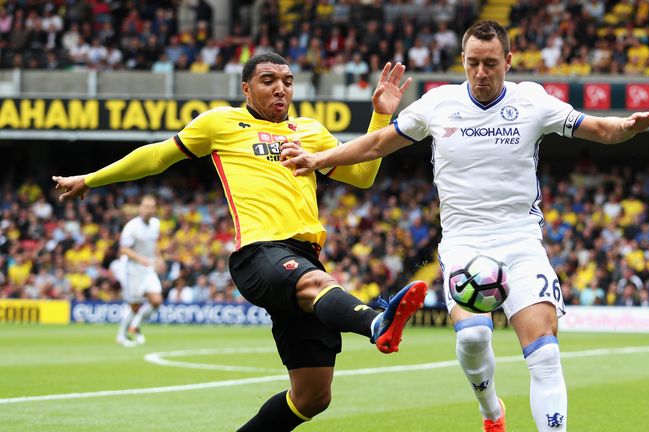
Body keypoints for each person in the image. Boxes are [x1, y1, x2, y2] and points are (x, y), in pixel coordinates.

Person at [281, 20, 649, 432]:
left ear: (508, 61)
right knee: (471, 339)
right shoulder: (437, 103)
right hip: (464, 242)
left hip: (521, 241)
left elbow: (600, 129)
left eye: (490, 63)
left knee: (544, 354)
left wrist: (627, 127)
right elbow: (377, 144)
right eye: (472, 64)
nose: (481, 73)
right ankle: (491, 411)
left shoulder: (532, 102)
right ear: (462, 62)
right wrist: (320, 160)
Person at [53, 52, 426, 432]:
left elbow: (362, 176)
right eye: (268, 80)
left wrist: (380, 115)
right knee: (317, 284)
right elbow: (157, 157)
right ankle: (377, 322)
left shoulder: (310, 132)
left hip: (304, 256)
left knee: (313, 396)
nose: (280, 87)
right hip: (259, 253)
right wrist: (91, 178)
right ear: (246, 88)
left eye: (287, 80)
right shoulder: (221, 123)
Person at [114, 194, 164, 347]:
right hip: (133, 270)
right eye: (146, 207)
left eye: (152, 207)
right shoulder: (132, 227)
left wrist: (159, 257)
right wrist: (140, 259)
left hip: (148, 269)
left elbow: (154, 243)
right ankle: (121, 336)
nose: (149, 210)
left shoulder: (156, 223)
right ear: (140, 208)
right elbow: (123, 249)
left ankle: (135, 326)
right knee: (134, 306)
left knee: (156, 301)